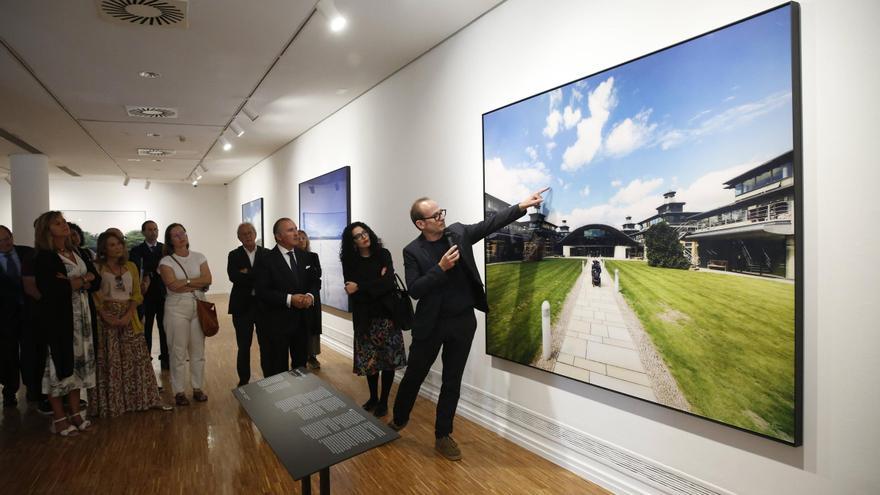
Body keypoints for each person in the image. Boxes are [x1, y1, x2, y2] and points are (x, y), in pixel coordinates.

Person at [389, 188, 547, 460]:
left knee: (452, 380)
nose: (441, 217)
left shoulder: (459, 233)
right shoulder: (412, 251)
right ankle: (399, 420)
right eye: (435, 215)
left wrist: (521, 206)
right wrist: (440, 268)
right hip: (430, 326)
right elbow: (415, 289)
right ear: (421, 223)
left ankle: (443, 435)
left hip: (462, 323)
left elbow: (490, 224)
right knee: (414, 375)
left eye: (441, 212)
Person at [32, 211, 101, 436]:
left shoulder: (77, 251)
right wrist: (83, 280)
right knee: (58, 367)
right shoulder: (45, 257)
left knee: (79, 366)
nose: (65, 226)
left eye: (64, 222)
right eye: (58, 223)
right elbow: (53, 289)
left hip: (83, 318)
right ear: (47, 229)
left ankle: (75, 412)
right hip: (61, 321)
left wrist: (78, 281)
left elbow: (96, 279)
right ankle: (59, 418)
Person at [89, 231, 170, 416]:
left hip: (129, 316)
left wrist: (129, 313)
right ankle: (115, 403)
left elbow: (136, 293)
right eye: (112, 245)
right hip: (107, 319)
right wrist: (105, 314)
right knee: (112, 360)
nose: (117, 248)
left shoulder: (131, 266)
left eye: (119, 244)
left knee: (136, 358)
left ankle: (140, 399)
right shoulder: (97, 268)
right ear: (103, 248)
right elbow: (95, 294)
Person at [341, 222, 406, 418]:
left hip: (387, 317)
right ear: (352, 242)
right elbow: (353, 293)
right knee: (370, 363)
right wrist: (375, 285)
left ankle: (384, 401)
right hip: (365, 319)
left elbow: (388, 284)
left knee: (388, 362)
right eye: (358, 236)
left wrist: (361, 286)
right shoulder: (350, 262)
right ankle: (373, 398)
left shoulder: (383, 254)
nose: (364, 237)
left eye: (365, 232)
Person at [253, 218, 319, 375]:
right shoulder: (265, 260)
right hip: (275, 324)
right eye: (290, 230)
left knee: (300, 369)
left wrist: (310, 295)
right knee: (277, 370)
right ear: (278, 236)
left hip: (302, 323)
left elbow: (315, 282)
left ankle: (299, 399)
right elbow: (262, 291)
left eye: (296, 229)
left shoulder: (305, 257)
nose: (296, 233)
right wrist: (290, 299)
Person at [158, 223, 212, 406]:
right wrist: (195, 281)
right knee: (178, 351)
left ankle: (197, 388)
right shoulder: (166, 261)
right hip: (176, 308)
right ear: (170, 240)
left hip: (198, 305)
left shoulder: (199, 256)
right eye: (175, 235)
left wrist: (185, 282)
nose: (181, 236)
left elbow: (208, 280)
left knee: (198, 351)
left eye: (182, 233)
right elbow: (172, 285)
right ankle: (179, 391)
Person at [227, 222, 268, 386]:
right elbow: (233, 277)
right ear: (239, 237)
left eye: (250, 232)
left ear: (255, 234)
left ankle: (269, 376)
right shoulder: (233, 255)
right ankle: (244, 380)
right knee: (244, 345)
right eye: (244, 234)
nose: (248, 236)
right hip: (242, 306)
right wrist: (256, 276)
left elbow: (268, 277)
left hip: (264, 306)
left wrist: (247, 273)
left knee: (266, 344)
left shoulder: (267, 253)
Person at [0, 225, 35, 408]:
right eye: (0, 241)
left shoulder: (28, 253)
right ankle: (9, 390)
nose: (5, 243)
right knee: (7, 354)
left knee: (31, 352)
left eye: (7, 238)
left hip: (29, 313)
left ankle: (33, 388)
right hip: (5, 318)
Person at [129, 221, 169, 370]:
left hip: (163, 294)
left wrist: (150, 269)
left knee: (164, 328)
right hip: (145, 296)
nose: (153, 232)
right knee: (146, 329)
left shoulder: (164, 248)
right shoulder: (136, 250)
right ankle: (146, 360)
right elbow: (137, 270)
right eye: (150, 230)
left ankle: (166, 358)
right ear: (143, 232)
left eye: (155, 229)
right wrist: (154, 269)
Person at [298, 230, 323, 370]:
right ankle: (300, 357)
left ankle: (312, 356)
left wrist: (310, 294)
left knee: (313, 327)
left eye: (304, 238)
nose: (301, 240)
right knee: (300, 327)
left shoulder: (313, 256)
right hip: (298, 297)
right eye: (299, 238)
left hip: (313, 297)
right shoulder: (293, 257)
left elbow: (317, 274)